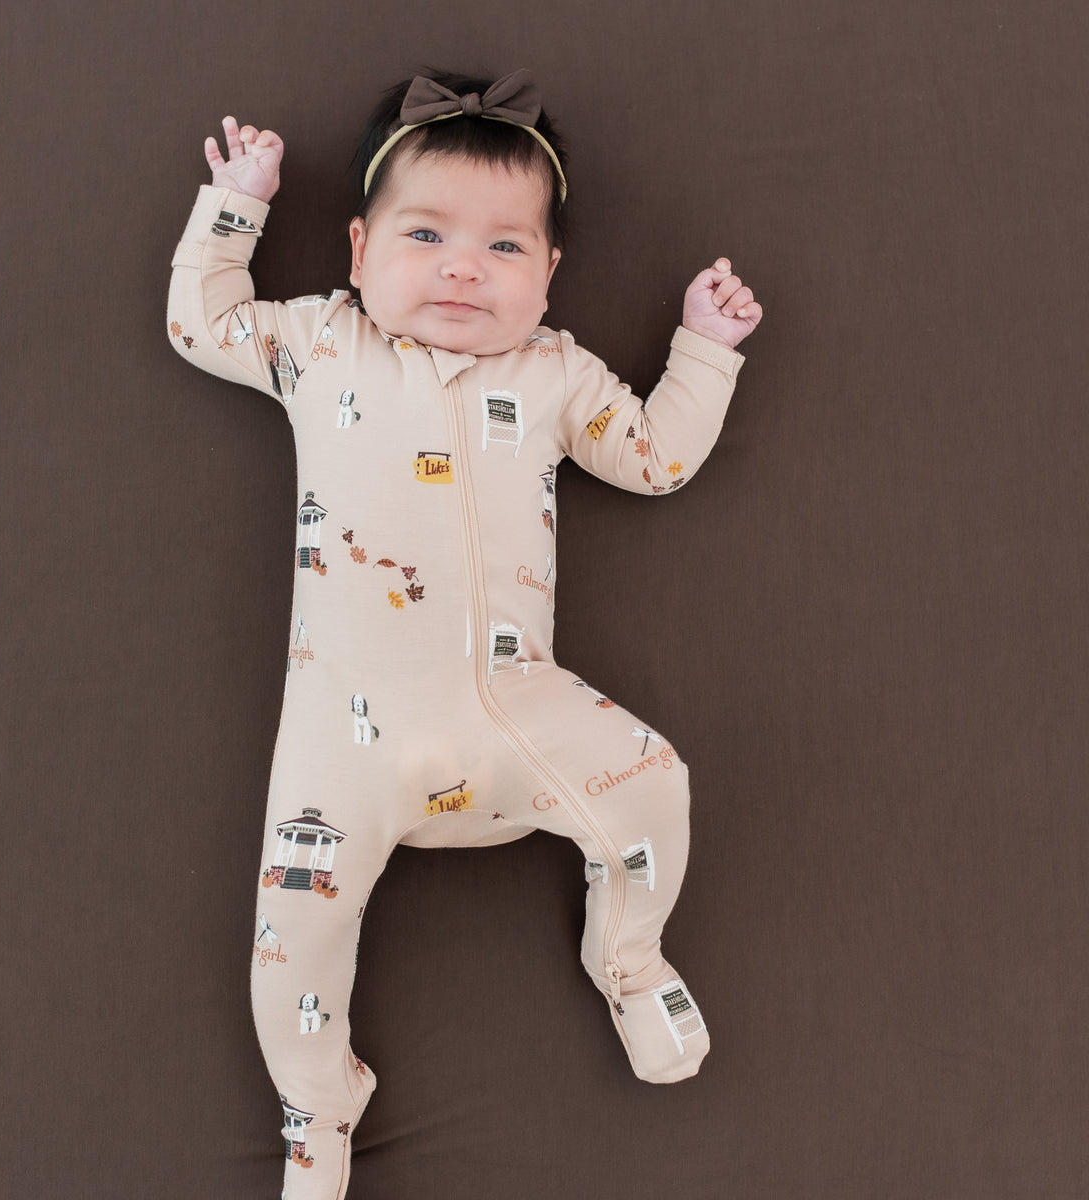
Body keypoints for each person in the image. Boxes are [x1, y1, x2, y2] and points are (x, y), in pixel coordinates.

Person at [168, 68, 762, 1200]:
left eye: (504, 249)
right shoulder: (318, 345)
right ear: (356, 252)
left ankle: (627, 958)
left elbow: (655, 460)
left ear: (549, 276)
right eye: (426, 233)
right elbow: (200, 322)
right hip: (340, 753)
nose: (460, 267)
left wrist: (704, 351)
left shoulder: (552, 373)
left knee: (654, 785)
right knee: (288, 946)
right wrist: (234, 205)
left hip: (513, 716)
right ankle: (317, 1105)